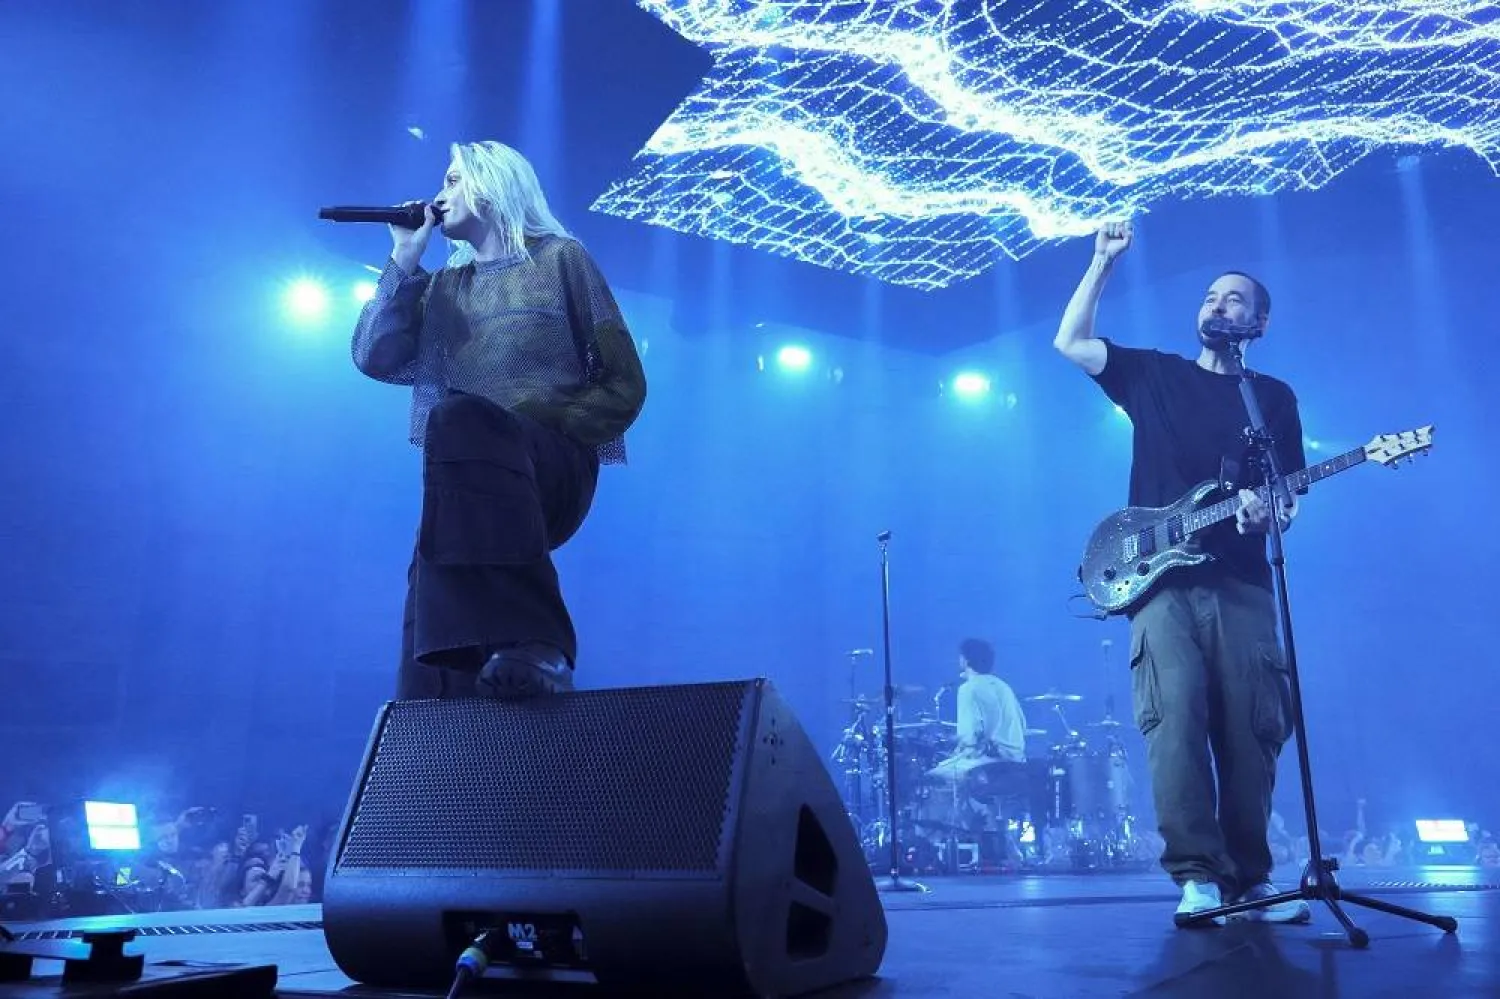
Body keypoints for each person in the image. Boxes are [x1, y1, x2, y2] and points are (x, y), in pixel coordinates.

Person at [1053, 220, 1310, 926]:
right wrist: (1102, 262)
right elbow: (1071, 343)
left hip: (1244, 582)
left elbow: (1284, 499)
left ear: (1257, 322)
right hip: (1161, 584)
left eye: (1233, 300)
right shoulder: (1156, 375)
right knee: (1175, 724)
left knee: (1254, 731)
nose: (1218, 304)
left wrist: (1269, 515)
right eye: (1211, 295)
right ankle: (1197, 873)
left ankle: (1252, 879)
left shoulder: (1274, 399)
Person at [352, 140, 646, 700]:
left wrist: (549, 420)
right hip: (465, 481)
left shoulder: (561, 259)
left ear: (493, 185)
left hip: (550, 467)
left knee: (459, 416)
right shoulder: (443, 289)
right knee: (427, 615)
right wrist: (404, 259)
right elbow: (374, 356)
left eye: (454, 179)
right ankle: (435, 735)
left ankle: (541, 639)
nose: (439, 194)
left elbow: (624, 382)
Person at [928, 638, 1028, 779]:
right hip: (1017, 760)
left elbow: (970, 738)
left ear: (966, 660)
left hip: (991, 762)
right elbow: (1022, 724)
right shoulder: (1003, 686)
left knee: (932, 778)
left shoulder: (969, 688)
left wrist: (955, 742)